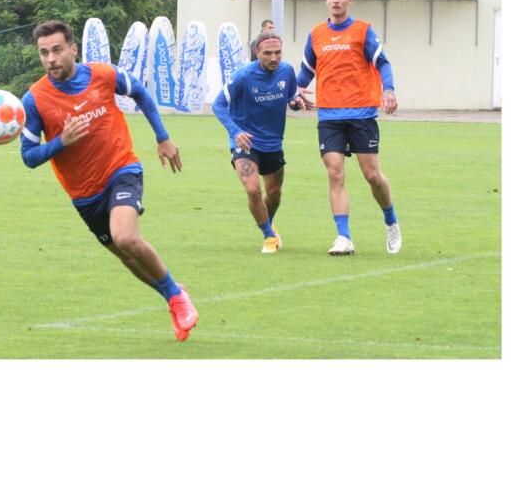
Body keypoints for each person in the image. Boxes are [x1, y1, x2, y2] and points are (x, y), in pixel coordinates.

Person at [20, 20, 198, 341]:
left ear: (73, 49)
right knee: (126, 256)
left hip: (121, 169)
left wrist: (162, 137)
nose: (51, 59)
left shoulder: (102, 75)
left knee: (125, 237)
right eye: (44, 53)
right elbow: (29, 156)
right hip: (83, 195)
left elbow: (140, 92)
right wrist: (61, 142)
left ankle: (176, 296)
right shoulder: (34, 99)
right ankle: (173, 294)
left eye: (57, 50)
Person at [295, 0, 402, 256]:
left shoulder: (363, 31)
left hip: (361, 113)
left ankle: (391, 221)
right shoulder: (316, 34)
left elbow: (383, 63)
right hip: (329, 116)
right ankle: (344, 237)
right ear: (326, 0)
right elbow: (305, 72)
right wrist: (295, 91)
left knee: (372, 176)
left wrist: (389, 90)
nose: (336, 0)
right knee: (335, 173)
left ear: (349, 0)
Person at [214, 31, 312, 253]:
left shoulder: (287, 71)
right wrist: (235, 131)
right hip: (245, 142)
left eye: (278, 52)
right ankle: (269, 236)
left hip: (273, 143)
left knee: (274, 193)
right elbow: (218, 105)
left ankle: (269, 223)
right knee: (253, 189)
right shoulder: (242, 76)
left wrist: (296, 102)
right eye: (268, 53)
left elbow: (291, 96)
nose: (274, 57)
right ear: (257, 53)